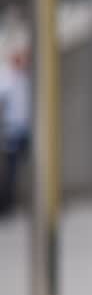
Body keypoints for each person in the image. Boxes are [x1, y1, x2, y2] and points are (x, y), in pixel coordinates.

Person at [0, 41, 30, 216]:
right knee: (11, 171)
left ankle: (31, 204)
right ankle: (7, 206)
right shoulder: (7, 78)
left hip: (26, 129)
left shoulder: (26, 78)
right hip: (13, 130)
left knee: (33, 166)